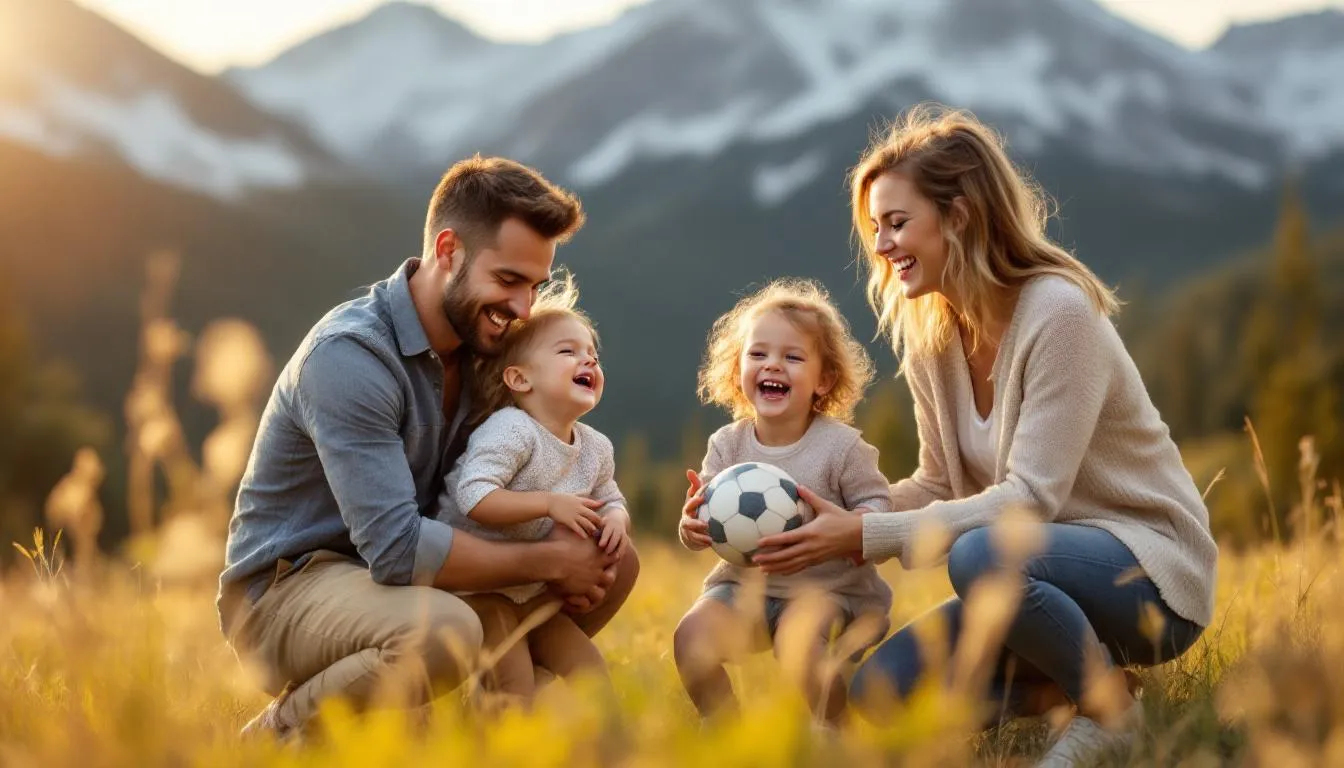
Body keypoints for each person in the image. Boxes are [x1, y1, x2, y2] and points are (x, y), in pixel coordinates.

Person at [752, 106, 1217, 765]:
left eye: (897, 222)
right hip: (1036, 577)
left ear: (960, 216)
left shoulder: (1058, 313)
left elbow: (1029, 503)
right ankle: (1071, 686)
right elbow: (937, 482)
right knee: (878, 694)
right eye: (875, 228)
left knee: (978, 555)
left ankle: (1109, 716)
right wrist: (825, 519)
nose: (881, 245)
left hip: (1148, 577)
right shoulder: (932, 341)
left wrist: (865, 537)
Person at [217, 156, 639, 739]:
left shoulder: (488, 346)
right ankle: (275, 735)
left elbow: (535, 454)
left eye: (535, 286)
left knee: (614, 562)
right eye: (509, 280)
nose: (522, 308)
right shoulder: (349, 358)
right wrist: (548, 559)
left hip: (400, 585)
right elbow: (396, 549)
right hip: (290, 590)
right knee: (447, 630)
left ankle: (486, 724)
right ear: (448, 251)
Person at [674, 278, 893, 726]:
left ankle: (835, 731)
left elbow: (879, 508)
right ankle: (724, 727)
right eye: (758, 355)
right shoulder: (727, 445)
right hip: (741, 588)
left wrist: (858, 524)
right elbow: (706, 516)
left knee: (799, 646)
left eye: (792, 357)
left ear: (824, 379)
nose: (773, 365)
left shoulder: (843, 448)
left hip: (825, 591)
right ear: (737, 370)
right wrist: (690, 527)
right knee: (689, 638)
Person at [437, 276, 631, 710]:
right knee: (513, 686)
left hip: (533, 591)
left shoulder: (595, 446)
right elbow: (475, 497)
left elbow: (612, 496)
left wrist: (617, 519)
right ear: (520, 379)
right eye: (568, 352)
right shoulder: (510, 430)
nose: (588, 361)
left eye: (593, 356)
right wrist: (549, 504)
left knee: (591, 671)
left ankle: (609, 750)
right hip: (478, 590)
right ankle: (498, 741)